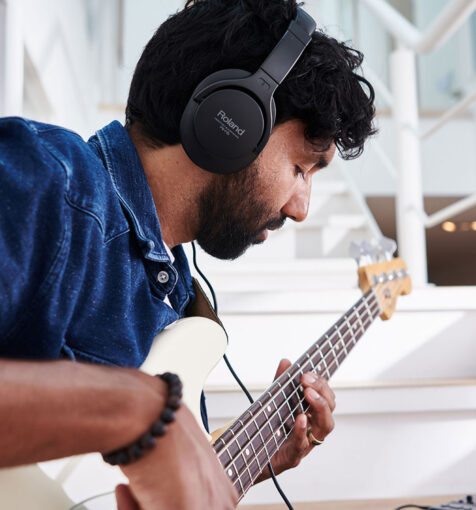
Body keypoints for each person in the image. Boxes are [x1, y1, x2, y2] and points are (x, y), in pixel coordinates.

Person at [0, 0, 376, 508]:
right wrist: (142, 413)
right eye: (302, 168)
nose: (301, 208)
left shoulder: (179, 292)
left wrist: (237, 470)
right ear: (233, 123)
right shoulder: (49, 178)